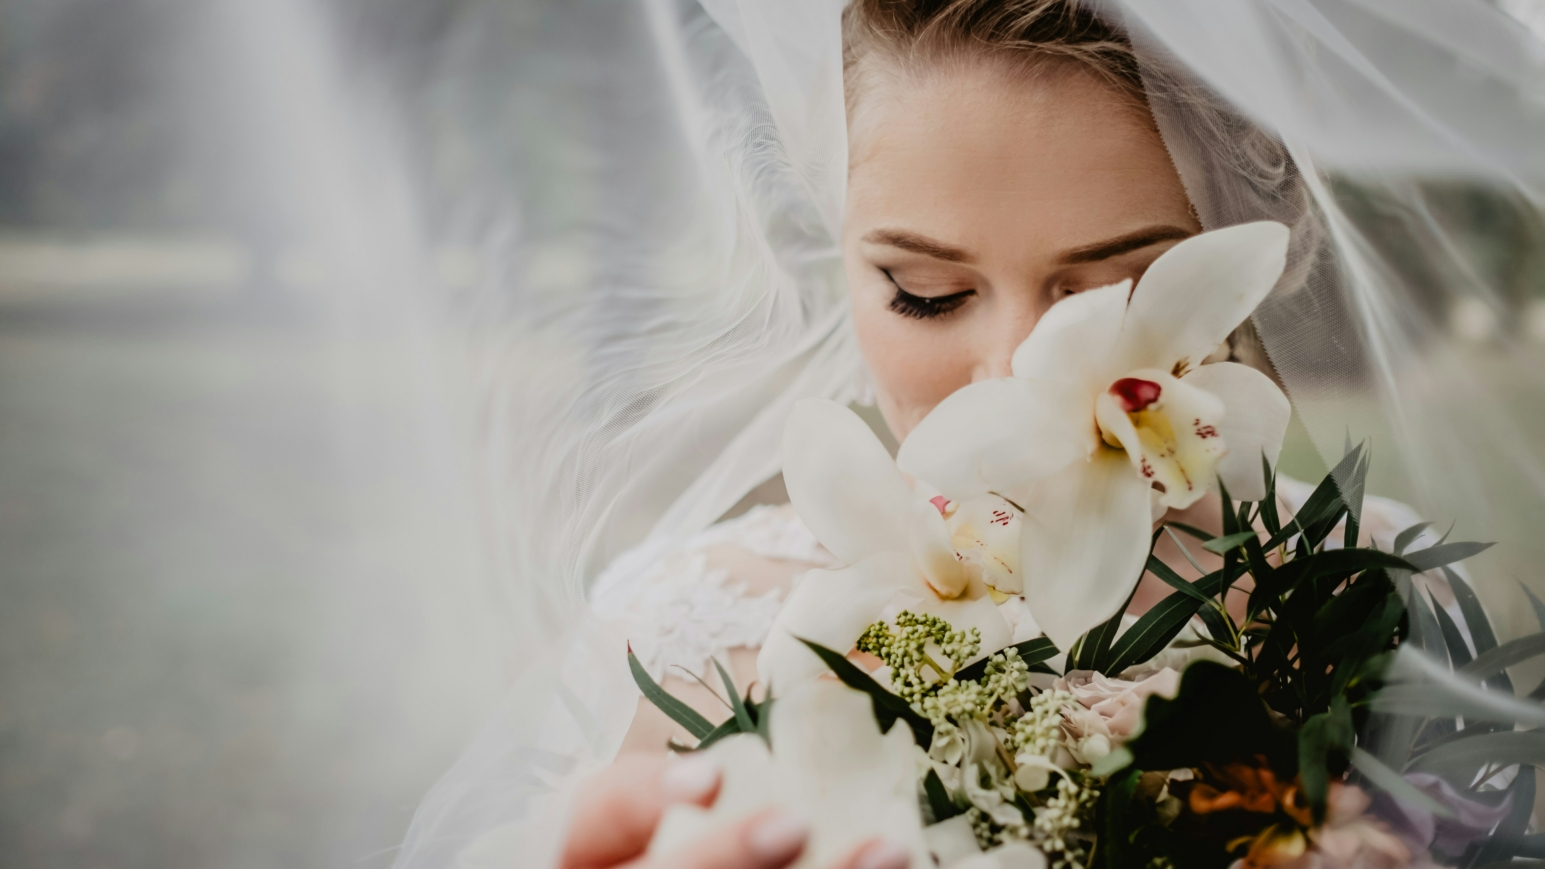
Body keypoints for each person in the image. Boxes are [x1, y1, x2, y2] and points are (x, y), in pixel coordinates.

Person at [394, 1, 1545, 868]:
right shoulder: (701, 642)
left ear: (1258, 249)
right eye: (927, 294)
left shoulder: (1386, 603)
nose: (1011, 389)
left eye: (1109, 299)